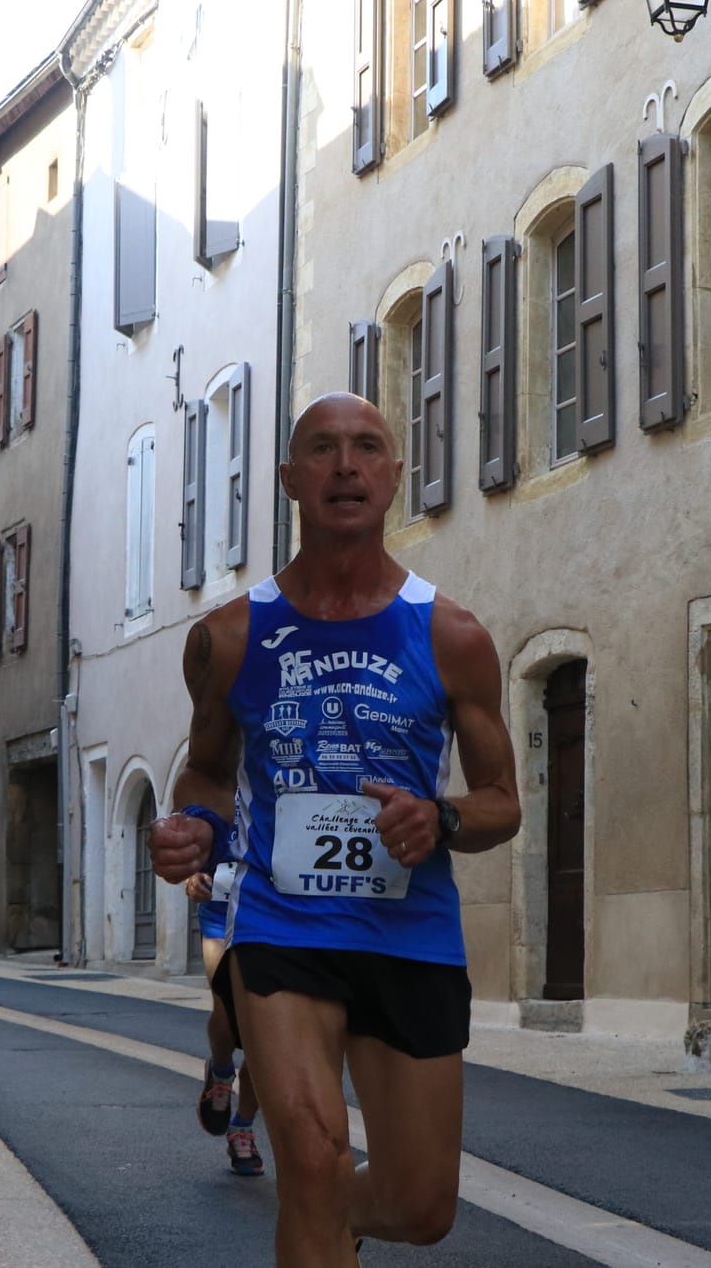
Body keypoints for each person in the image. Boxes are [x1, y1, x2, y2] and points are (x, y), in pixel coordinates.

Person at [151, 392, 520, 1265]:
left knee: (420, 1205)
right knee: (312, 1165)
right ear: (289, 478)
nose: (346, 465)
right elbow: (206, 770)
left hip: (410, 935)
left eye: (366, 448)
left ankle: (327, 1221)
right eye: (321, 448)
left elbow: (502, 800)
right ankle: (317, 1210)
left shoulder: (453, 635)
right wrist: (196, 824)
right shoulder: (229, 636)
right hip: (282, 929)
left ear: (394, 476)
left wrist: (440, 817)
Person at [184, 870, 264, 1177]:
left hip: (274, 916)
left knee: (263, 1034)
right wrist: (192, 876)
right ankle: (221, 1071)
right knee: (227, 1007)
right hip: (221, 911)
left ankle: (242, 1127)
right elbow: (189, 847)